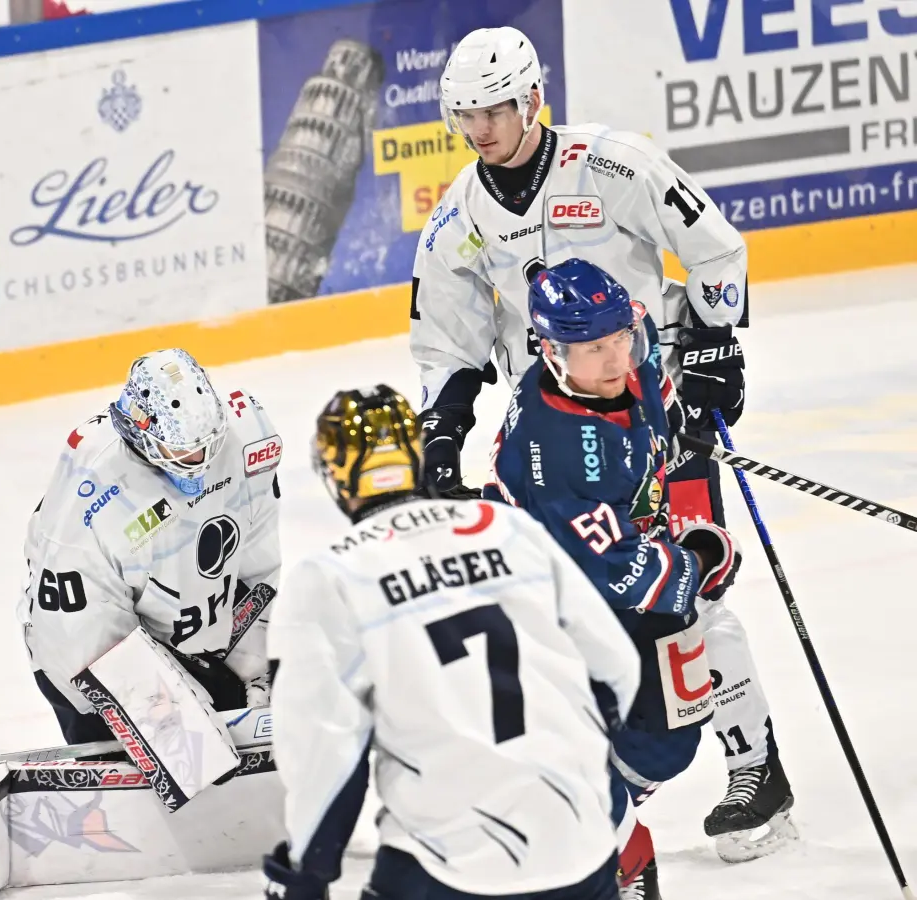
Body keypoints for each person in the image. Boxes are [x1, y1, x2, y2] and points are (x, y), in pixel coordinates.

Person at [409, 25, 792, 863]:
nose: (481, 131)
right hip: (554, 435)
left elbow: (716, 247)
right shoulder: (456, 222)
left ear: (533, 98)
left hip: (655, 420)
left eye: (496, 110)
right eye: (466, 115)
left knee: (692, 591)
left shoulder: (614, 165)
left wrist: (717, 347)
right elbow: (447, 341)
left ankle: (752, 766)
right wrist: (441, 434)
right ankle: (585, 782)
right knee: (569, 609)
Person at [0, 348, 287, 898]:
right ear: (138, 431)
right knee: (183, 773)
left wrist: (256, 671)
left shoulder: (247, 436)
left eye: (205, 445)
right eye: (178, 449)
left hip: (200, 636)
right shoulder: (94, 492)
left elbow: (255, 559)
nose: (196, 460)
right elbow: (80, 641)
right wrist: (181, 728)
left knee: (264, 734)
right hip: (92, 660)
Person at [262, 383, 640, 900]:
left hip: (448, 866)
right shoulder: (508, 528)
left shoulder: (329, 576)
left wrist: (306, 873)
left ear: (336, 478)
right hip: (582, 852)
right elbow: (615, 668)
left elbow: (324, 750)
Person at [486, 259, 767, 898]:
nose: (615, 358)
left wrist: (700, 404)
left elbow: (660, 426)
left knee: (669, 740)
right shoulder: (551, 448)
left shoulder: (622, 370)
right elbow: (623, 571)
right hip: (548, 605)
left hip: (614, 582)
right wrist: (699, 559)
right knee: (597, 742)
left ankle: (591, 812)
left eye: (620, 339)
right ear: (552, 352)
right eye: (594, 348)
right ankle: (608, 846)